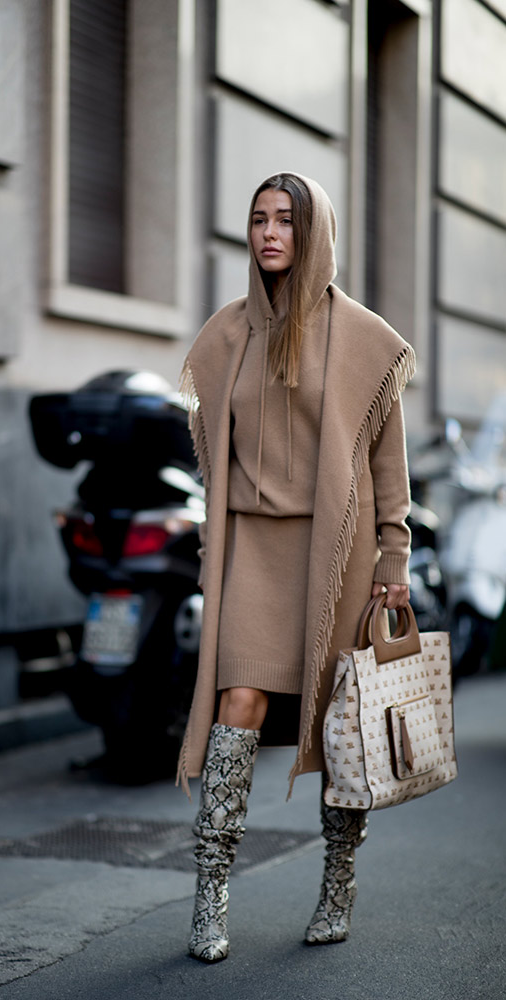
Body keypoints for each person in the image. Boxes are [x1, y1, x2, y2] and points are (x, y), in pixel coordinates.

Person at [177, 171, 415, 962]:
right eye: (257, 220)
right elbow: (212, 443)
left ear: (315, 234)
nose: (270, 233)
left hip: (337, 554)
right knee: (236, 702)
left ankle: (337, 883)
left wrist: (394, 556)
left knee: (336, 721)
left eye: (286, 221)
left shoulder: (364, 341)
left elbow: (386, 463)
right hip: (252, 549)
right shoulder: (225, 335)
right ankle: (209, 895)